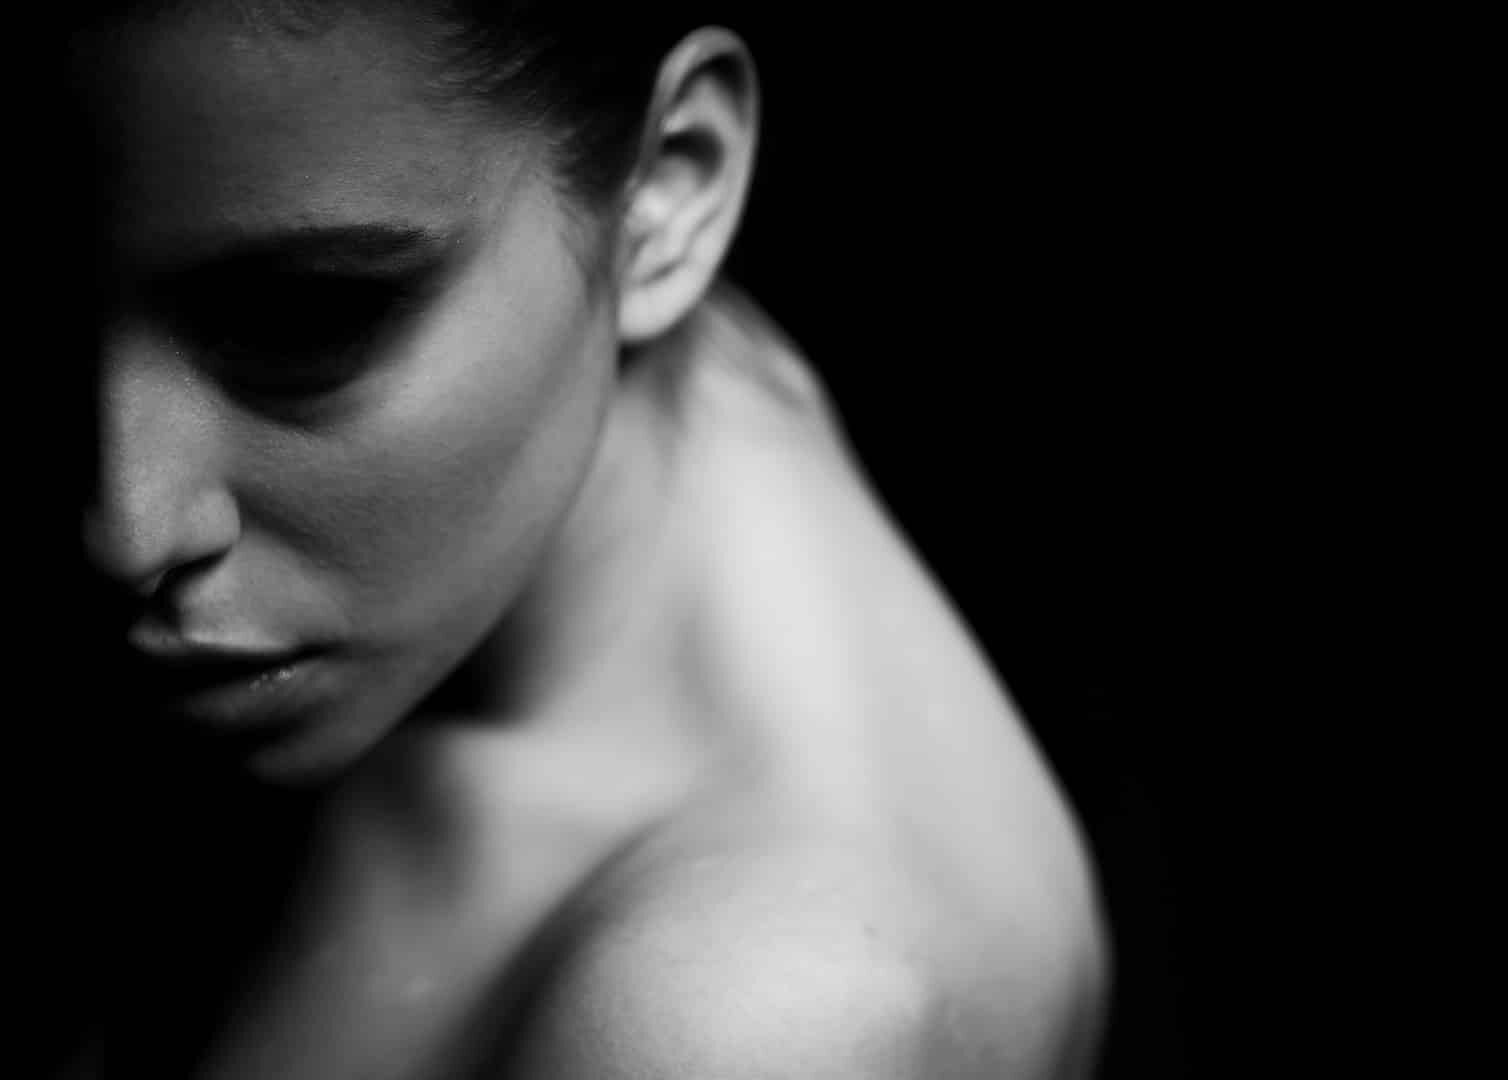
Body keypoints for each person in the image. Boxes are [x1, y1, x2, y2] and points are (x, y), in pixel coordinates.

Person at [60, 2, 1108, 1076]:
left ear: (671, 189)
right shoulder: (658, 362)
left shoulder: (752, 1018)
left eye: (303, 319)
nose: (128, 529)